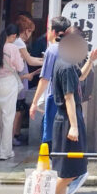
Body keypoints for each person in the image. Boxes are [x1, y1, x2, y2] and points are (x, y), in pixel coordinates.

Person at [50, 28, 97, 194]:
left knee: (67, 168)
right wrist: (74, 126)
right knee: (72, 170)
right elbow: (69, 97)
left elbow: (79, 77)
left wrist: (90, 61)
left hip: (67, 118)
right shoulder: (65, 64)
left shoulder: (67, 63)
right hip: (67, 119)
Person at [29, 16, 71, 148]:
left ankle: (50, 165)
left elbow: (45, 79)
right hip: (71, 97)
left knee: (50, 137)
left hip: (54, 96)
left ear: (54, 32)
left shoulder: (52, 50)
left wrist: (34, 102)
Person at [0, 23, 25, 161]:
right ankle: (5, 151)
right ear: (13, 36)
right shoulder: (13, 48)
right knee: (8, 118)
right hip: (8, 83)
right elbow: (20, 67)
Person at [12, 14, 41, 147]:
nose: (30, 34)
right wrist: (47, 60)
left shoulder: (17, 41)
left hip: (20, 76)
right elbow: (30, 60)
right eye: (29, 31)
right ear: (24, 30)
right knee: (17, 110)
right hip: (18, 77)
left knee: (20, 108)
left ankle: (16, 134)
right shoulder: (19, 42)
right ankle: (13, 136)